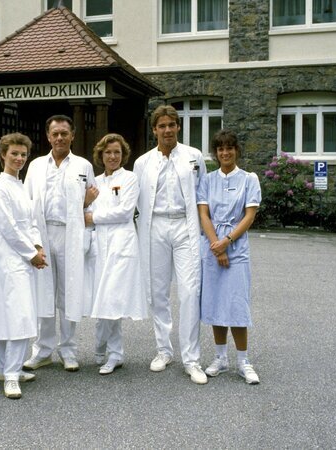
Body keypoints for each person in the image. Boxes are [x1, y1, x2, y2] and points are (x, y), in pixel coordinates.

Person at [134, 105, 208, 384]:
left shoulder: (194, 157)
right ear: (154, 130)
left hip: (185, 226)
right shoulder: (142, 163)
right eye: (162, 126)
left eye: (171, 125)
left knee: (190, 290)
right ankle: (163, 350)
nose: (167, 130)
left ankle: (191, 359)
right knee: (158, 292)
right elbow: (133, 199)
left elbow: (202, 195)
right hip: (155, 227)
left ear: (178, 127)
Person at [23, 115, 97, 372]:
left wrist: (85, 204)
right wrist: (32, 240)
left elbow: (93, 202)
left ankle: (68, 350)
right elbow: (26, 202)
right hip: (43, 233)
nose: (59, 138)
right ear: (48, 136)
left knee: (68, 292)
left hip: (70, 233)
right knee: (43, 292)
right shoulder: (36, 166)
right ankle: (42, 350)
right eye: (55, 134)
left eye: (64, 133)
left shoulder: (83, 165)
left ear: (72, 135)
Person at [197, 129, 262, 385]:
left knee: (236, 302)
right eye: (221, 149)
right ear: (216, 153)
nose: (225, 153)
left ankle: (243, 361)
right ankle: (220, 357)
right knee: (216, 301)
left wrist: (227, 242)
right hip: (212, 246)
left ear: (237, 151)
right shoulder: (207, 180)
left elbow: (249, 216)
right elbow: (204, 214)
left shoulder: (249, 179)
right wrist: (217, 245)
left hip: (236, 246)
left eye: (229, 148)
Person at [0, 133, 47, 399]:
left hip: (24, 256)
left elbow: (31, 221)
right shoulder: (0, 187)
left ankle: (6, 368)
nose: (19, 158)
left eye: (23, 154)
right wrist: (30, 253)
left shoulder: (20, 186)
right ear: (3, 155)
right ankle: (11, 375)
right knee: (17, 316)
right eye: (14, 154)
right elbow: (7, 227)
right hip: (9, 258)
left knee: (14, 313)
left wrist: (38, 245)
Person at [84, 134, 147, 375]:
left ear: (123, 155)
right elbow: (84, 210)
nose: (112, 156)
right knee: (101, 298)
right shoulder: (96, 182)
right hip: (99, 244)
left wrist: (93, 217)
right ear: (101, 155)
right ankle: (102, 346)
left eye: (117, 152)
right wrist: (86, 206)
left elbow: (124, 212)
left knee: (112, 298)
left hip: (122, 243)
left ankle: (115, 353)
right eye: (108, 152)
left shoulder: (129, 179)